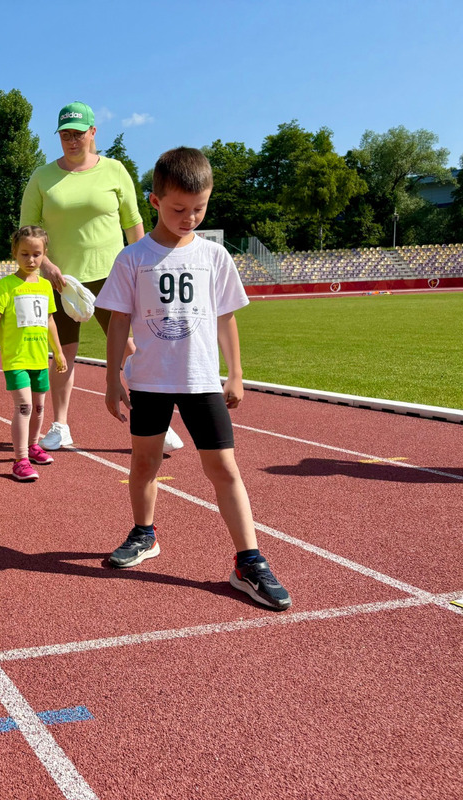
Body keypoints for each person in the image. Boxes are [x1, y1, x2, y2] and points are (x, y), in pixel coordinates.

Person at [98, 147, 291, 611]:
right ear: (155, 201)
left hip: (202, 379)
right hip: (148, 380)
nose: (189, 218)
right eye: (179, 208)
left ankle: (249, 561)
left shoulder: (214, 256)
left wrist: (237, 373)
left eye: (199, 209)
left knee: (224, 469)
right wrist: (111, 379)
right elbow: (118, 322)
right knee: (144, 464)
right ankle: (144, 534)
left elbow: (226, 317)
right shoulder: (132, 258)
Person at [20, 102, 184, 454]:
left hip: (114, 275)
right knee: (62, 354)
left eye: (78, 133)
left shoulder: (114, 170)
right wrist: (46, 266)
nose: (72, 140)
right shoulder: (42, 177)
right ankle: (60, 426)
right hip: (61, 281)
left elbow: (133, 223)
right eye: (65, 134)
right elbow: (26, 231)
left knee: (131, 349)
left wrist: (146, 266)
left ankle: (156, 421)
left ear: (93, 132)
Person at [0, 227, 67, 481]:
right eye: (25, 254)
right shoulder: (6, 285)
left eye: (36, 254)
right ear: (14, 254)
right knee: (24, 406)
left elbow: (50, 321)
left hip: (40, 358)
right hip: (16, 359)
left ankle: (33, 446)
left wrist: (58, 352)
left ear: (44, 255)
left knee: (39, 407)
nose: (31, 260)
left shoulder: (44, 286)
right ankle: (19, 459)